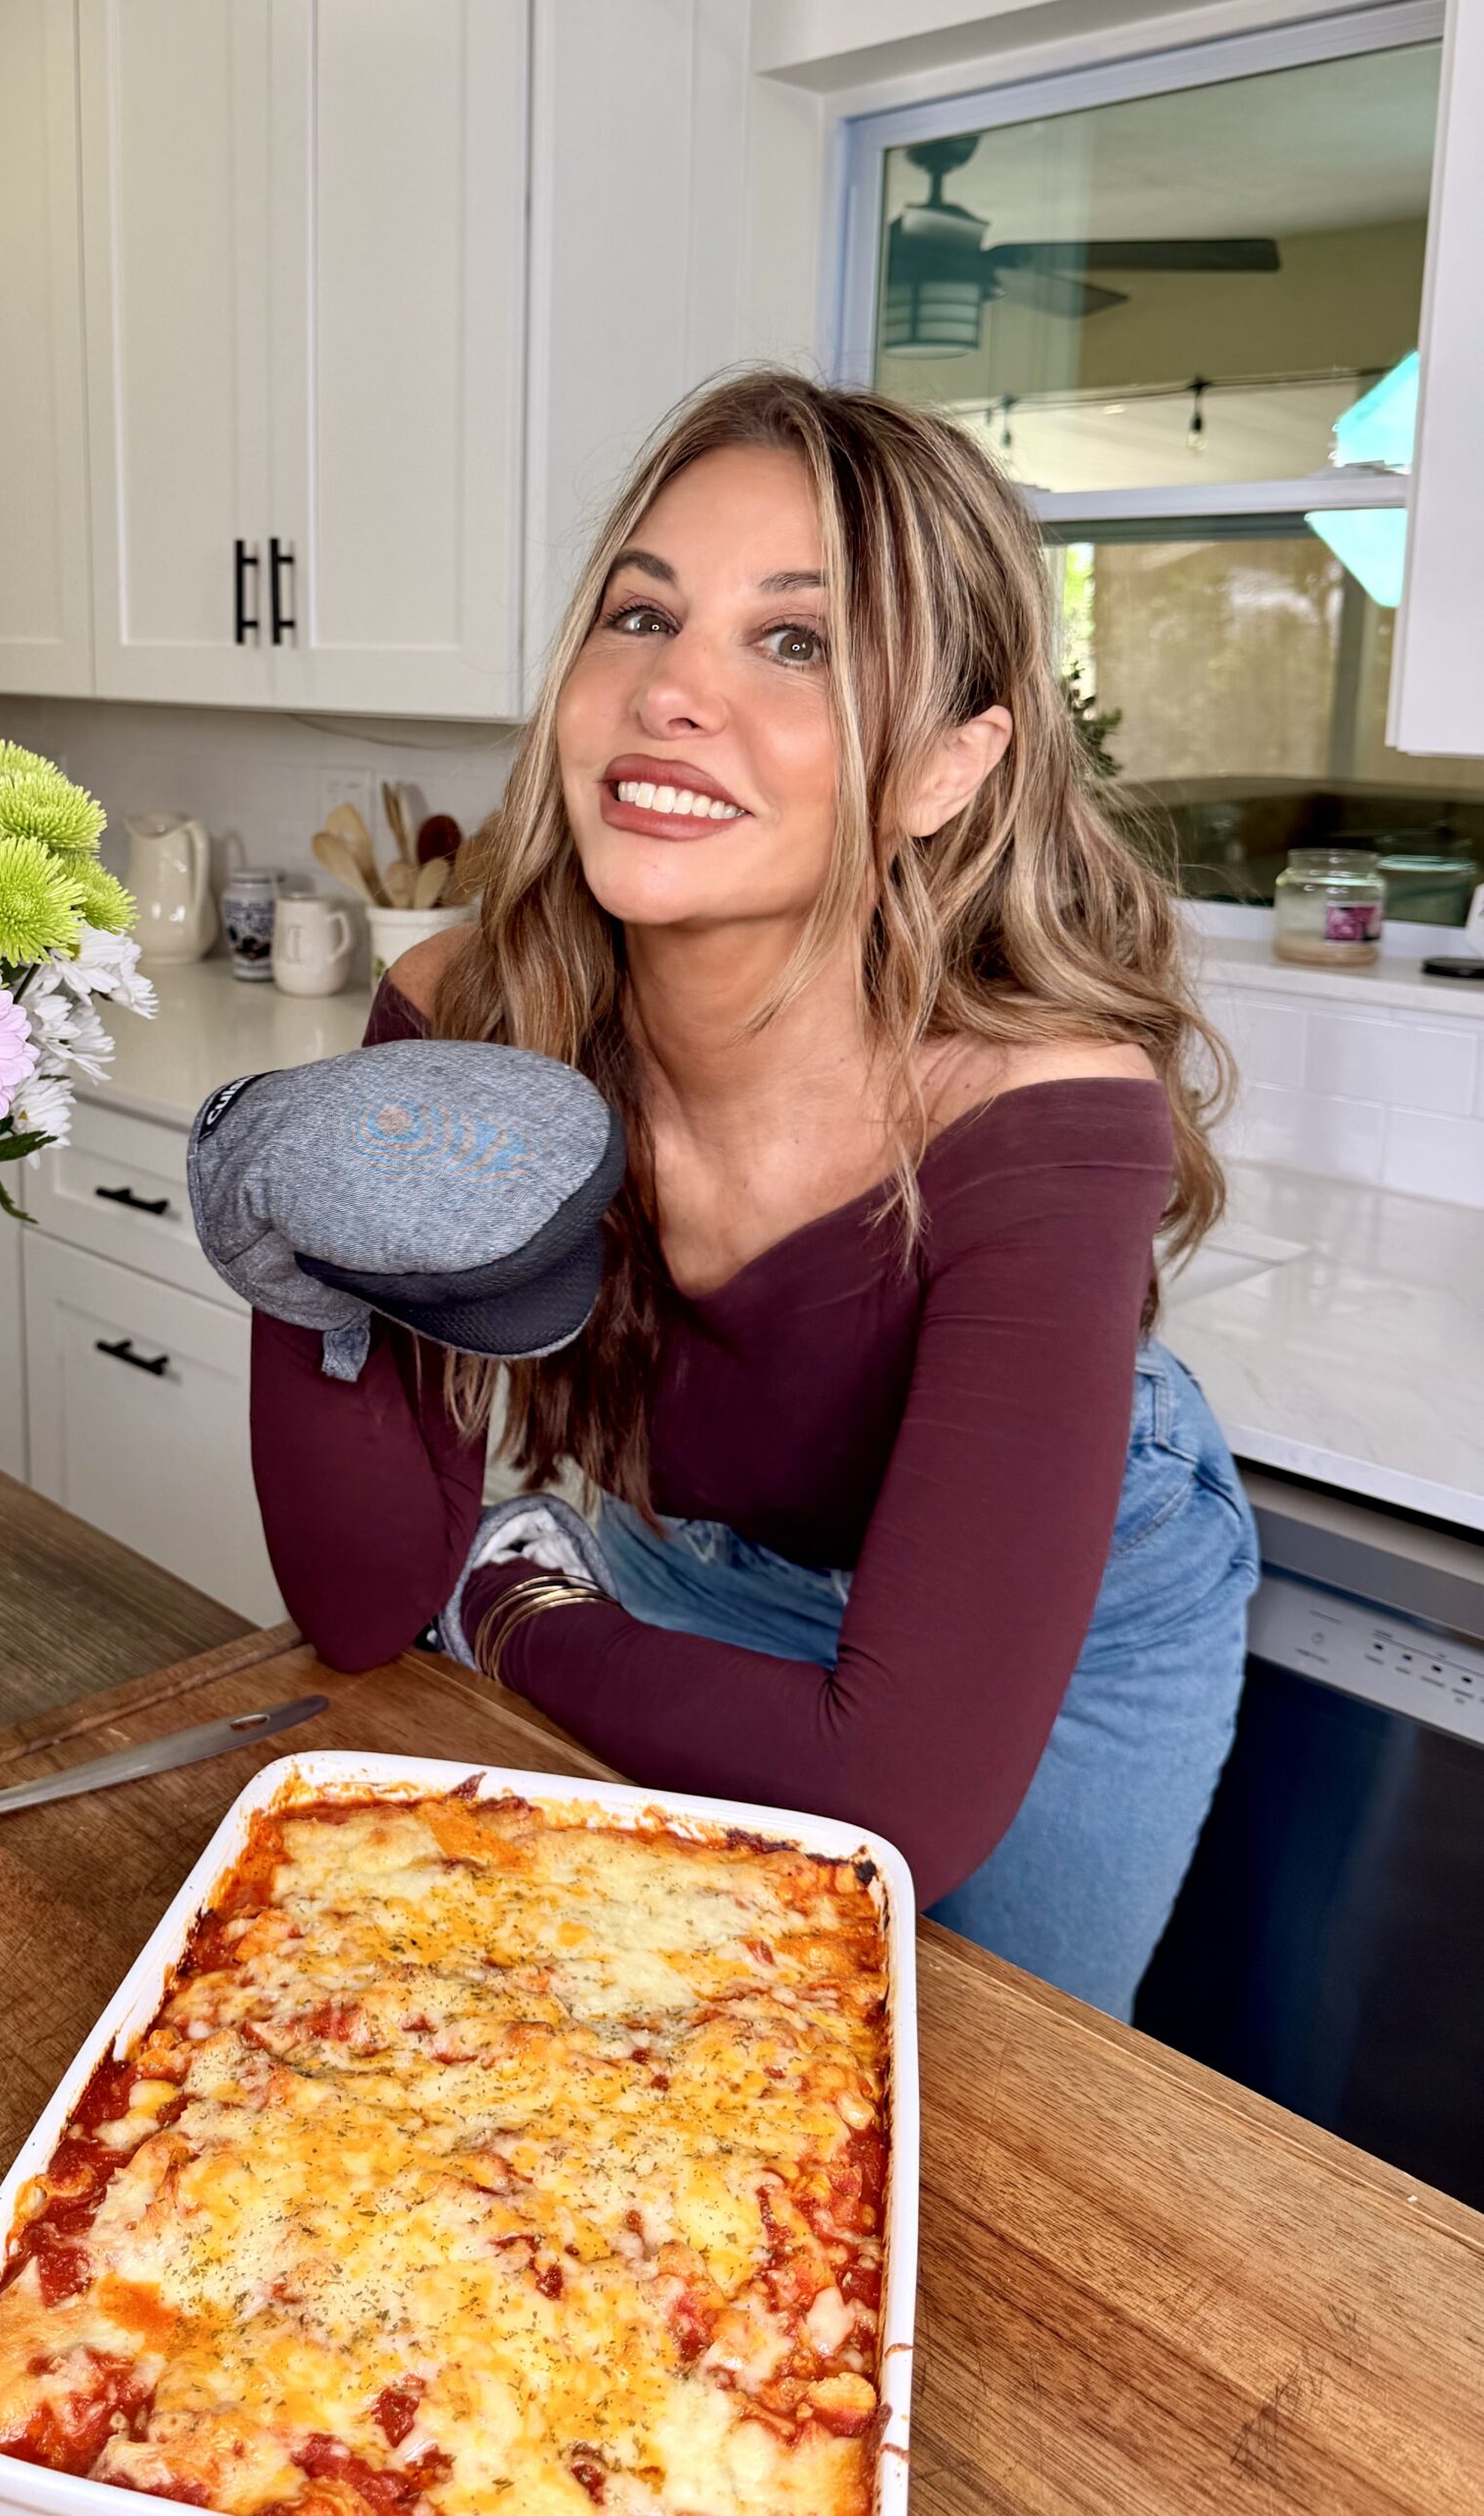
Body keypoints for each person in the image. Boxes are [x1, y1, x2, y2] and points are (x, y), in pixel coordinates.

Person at [248, 369, 1259, 2020]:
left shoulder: (1041, 1110)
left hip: (1074, 1624)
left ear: (946, 766)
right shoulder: (457, 1018)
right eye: (641, 616)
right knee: (662, 2061)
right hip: (687, 1557)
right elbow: (359, 1607)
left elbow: (906, 1798)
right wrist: (298, 1235)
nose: (670, 693)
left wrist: (508, 1607)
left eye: (794, 642)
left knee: (999, 2108)